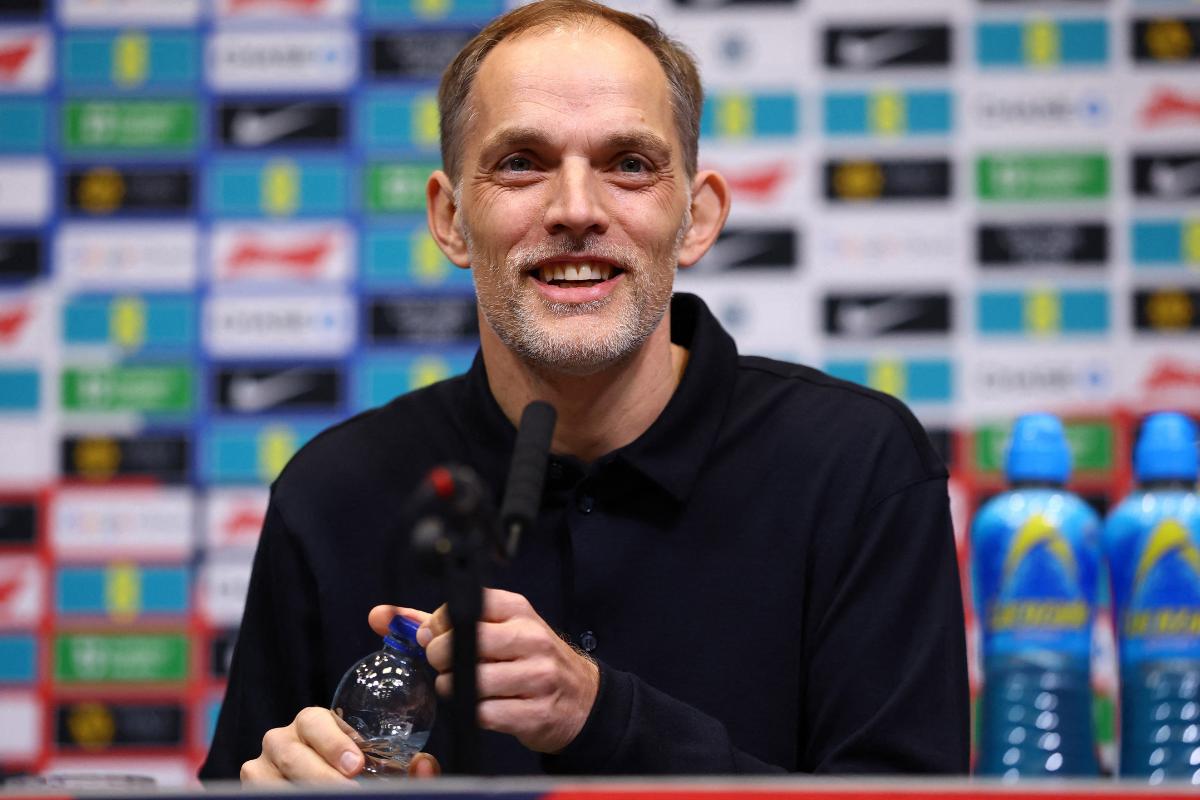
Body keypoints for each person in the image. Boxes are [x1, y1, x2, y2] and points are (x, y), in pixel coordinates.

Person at [201, 0, 969, 783]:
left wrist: (602, 719)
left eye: (629, 164)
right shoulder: (332, 490)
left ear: (696, 219)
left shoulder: (858, 467)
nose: (575, 210)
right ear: (451, 217)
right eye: (522, 162)